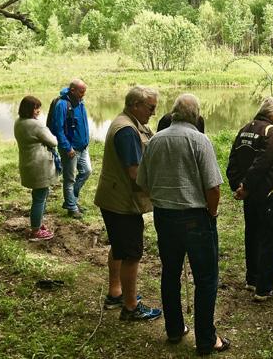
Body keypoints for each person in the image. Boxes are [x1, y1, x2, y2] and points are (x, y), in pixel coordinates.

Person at [138, 94, 230, 355]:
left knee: (170, 273)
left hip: (164, 217)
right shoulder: (199, 140)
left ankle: (175, 330)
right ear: (196, 115)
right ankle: (206, 339)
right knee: (206, 278)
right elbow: (213, 187)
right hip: (195, 218)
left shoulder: (155, 140)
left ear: (174, 113)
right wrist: (212, 213)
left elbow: (143, 182)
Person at [93, 86, 162, 321]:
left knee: (120, 247)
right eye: (150, 108)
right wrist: (159, 194)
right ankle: (131, 307)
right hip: (121, 202)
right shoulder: (127, 131)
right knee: (132, 253)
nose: (153, 112)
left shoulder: (127, 122)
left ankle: (116, 293)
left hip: (112, 198)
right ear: (135, 105)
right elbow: (135, 173)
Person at [226, 97, 273, 301]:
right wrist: (245, 186)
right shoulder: (271, 132)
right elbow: (263, 162)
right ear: (269, 112)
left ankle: (252, 280)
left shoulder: (244, 129)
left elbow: (232, 161)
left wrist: (239, 187)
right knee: (270, 240)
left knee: (252, 235)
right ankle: (265, 288)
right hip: (268, 194)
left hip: (250, 196)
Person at [14, 96, 58, 241]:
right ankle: (35, 231)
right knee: (40, 198)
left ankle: (38, 223)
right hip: (39, 167)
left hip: (27, 164)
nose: (39, 111)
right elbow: (53, 141)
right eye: (36, 108)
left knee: (39, 196)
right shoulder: (35, 125)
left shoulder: (18, 122)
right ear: (29, 109)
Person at [49, 78, 91, 219]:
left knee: (86, 172)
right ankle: (72, 207)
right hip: (71, 149)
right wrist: (67, 147)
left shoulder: (80, 102)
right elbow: (57, 128)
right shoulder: (62, 104)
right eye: (81, 92)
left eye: (84, 91)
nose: (83, 94)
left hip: (83, 147)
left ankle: (71, 200)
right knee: (70, 179)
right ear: (72, 90)